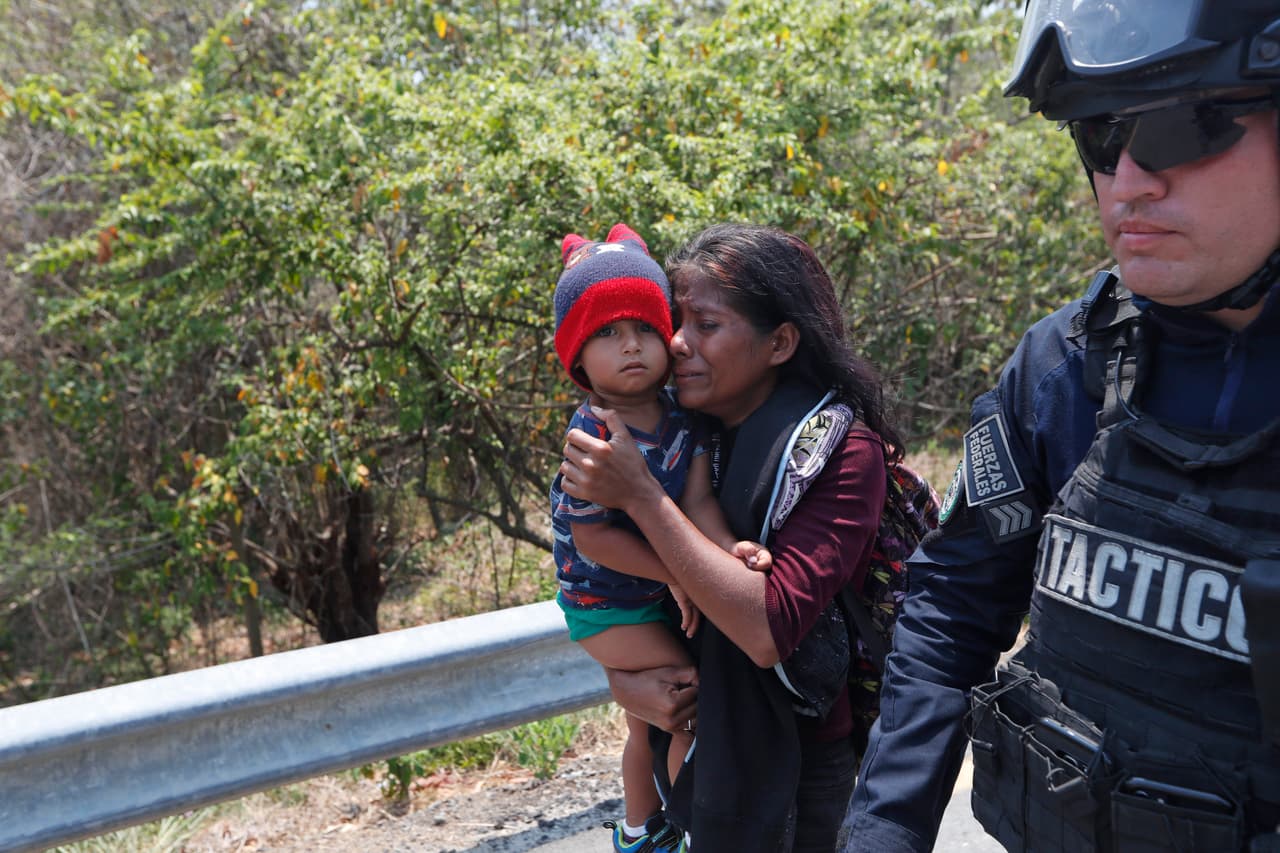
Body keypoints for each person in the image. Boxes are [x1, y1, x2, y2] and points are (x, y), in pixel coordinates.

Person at [841, 2, 1280, 851]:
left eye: (1183, 126)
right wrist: (882, 830)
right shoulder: (1060, 367)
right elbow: (956, 604)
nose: (1127, 182)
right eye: (1100, 137)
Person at [559, 223, 906, 852]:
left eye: (707, 326)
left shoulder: (841, 453)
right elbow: (606, 569)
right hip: (697, 737)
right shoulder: (678, 424)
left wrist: (640, 493)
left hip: (797, 769)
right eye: (676, 322)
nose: (677, 343)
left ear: (779, 343)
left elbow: (765, 632)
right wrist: (628, 684)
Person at [549, 223, 769, 853]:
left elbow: (697, 501)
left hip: (652, 588)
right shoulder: (593, 436)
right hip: (605, 601)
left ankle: (641, 829)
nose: (632, 347)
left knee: (646, 722)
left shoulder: (681, 415)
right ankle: (695, 831)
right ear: (575, 358)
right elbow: (593, 541)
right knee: (684, 696)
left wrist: (728, 552)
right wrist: (678, 575)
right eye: (608, 334)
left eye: (645, 328)